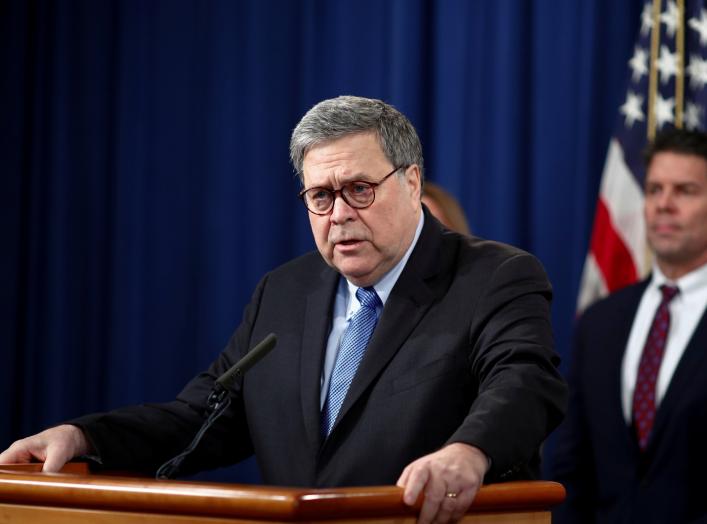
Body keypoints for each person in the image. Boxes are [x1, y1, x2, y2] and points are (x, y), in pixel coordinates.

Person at [0, 95, 567, 524]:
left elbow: (524, 381)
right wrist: (83, 438)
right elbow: (203, 416)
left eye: (359, 190)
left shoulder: (494, 276)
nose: (338, 214)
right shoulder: (285, 292)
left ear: (412, 182)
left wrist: (468, 453)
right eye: (320, 196)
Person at [552, 128, 707, 523]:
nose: (663, 205)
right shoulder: (602, 321)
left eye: (685, 191)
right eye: (654, 189)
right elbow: (573, 465)